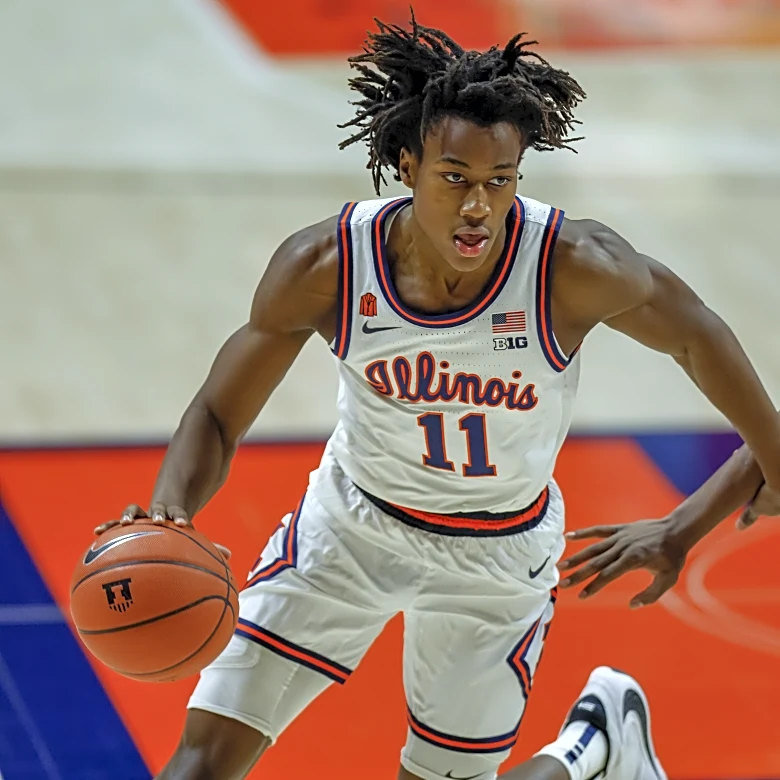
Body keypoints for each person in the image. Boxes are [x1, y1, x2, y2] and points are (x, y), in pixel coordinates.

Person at [97, 15, 780, 780]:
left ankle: (593, 747)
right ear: (406, 162)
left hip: (495, 558)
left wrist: (698, 518)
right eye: (455, 178)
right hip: (349, 529)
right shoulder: (327, 264)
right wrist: (172, 510)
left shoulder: (573, 265)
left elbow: (701, 339)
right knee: (196, 767)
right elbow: (219, 414)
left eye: (500, 181)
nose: (479, 207)